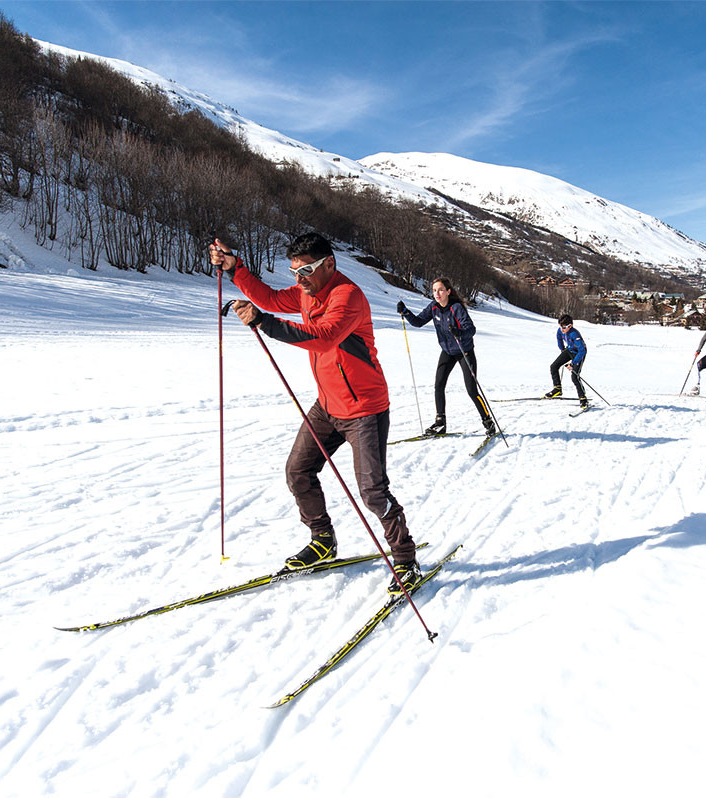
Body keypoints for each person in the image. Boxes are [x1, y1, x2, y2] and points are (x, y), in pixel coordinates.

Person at [210, 233, 420, 594]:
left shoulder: (347, 296)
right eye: (294, 271)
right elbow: (272, 299)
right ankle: (323, 540)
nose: (299, 278)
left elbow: (324, 336)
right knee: (298, 471)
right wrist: (235, 269)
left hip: (363, 409)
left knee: (372, 491)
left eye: (306, 269)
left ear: (329, 264)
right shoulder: (307, 292)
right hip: (327, 406)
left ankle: (404, 558)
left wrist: (266, 323)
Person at [397, 277, 496, 436]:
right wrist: (406, 312)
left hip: (464, 351)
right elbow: (418, 322)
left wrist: (460, 333)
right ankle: (440, 422)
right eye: (434, 290)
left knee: (471, 390)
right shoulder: (434, 307)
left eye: (441, 290)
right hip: (448, 351)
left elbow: (471, 329)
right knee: (439, 385)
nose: (437, 293)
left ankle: (488, 421)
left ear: (448, 292)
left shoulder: (456, 308)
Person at [544, 314, 588, 407]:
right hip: (569, 350)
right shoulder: (560, 330)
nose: (562, 329)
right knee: (554, 366)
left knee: (574, 377)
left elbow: (582, 350)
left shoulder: (575, 334)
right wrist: (562, 350)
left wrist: (573, 363)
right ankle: (557, 389)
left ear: (570, 326)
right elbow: (559, 338)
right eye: (560, 326)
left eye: (564, 327)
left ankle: (583, 399)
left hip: (578, 354)